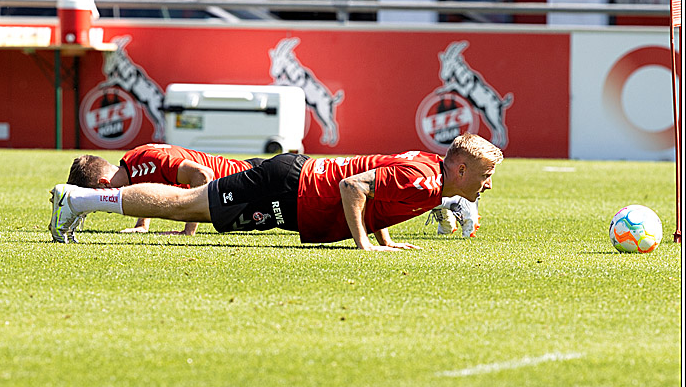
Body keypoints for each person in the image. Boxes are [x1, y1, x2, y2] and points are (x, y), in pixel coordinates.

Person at [48, 133, 502, 250]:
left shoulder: (427, 173)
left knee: (189, 207)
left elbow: (378, 193)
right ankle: (78, 200)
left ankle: (78, 201)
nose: (486, 184)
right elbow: (353, 185)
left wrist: (385, 237)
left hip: (293, 190)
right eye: (483, 176)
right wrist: (366, 245)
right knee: (185, 205)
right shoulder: (425, 179)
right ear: (459, 167)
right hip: (290, 189)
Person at [66, 143, 263, 236]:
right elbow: (152, 185)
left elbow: (203, 175)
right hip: (246, 178)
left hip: (252, 181)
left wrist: (188, 231)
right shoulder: (134, 162)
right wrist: (142, 225)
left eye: (97, 196)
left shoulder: (146, 163)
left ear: (104, 183)